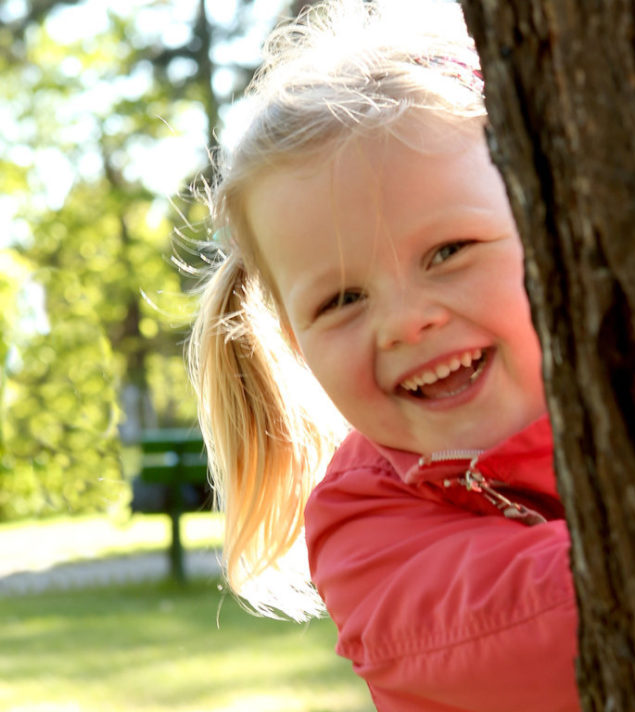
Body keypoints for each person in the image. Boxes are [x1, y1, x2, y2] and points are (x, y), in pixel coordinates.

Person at [188, 1, 580, 710]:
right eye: (341, 300)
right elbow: (556, 630)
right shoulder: (364, 526)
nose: (405, 323)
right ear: (291, 339)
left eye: (448, 252)